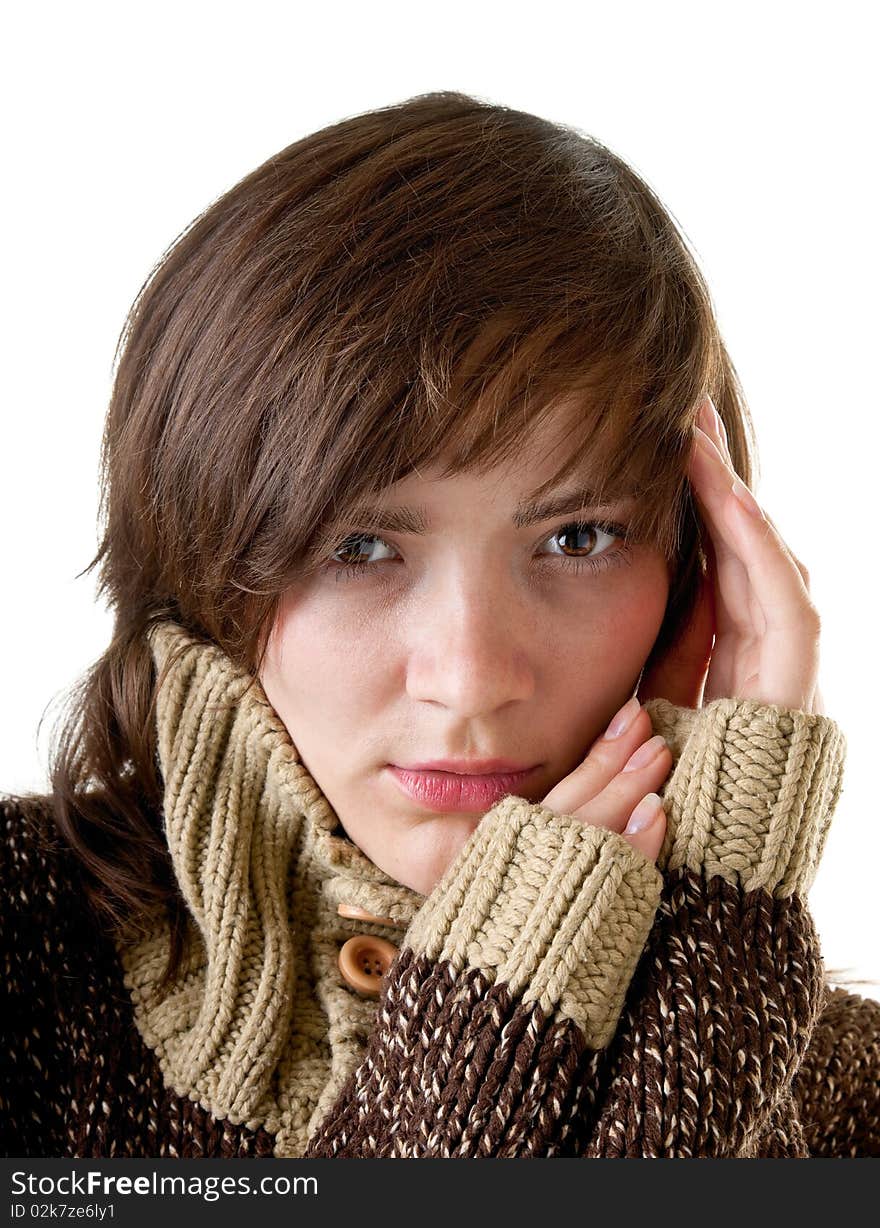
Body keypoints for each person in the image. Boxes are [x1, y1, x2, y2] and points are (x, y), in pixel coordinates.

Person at [2, 90, 877, 1159]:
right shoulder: (21, 946)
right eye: (359, 548)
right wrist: (492, 1036)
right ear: (200, 552)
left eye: (578, 538)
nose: (469, 680)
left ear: (700, 569)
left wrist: (717, 919)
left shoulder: (848, 1093)